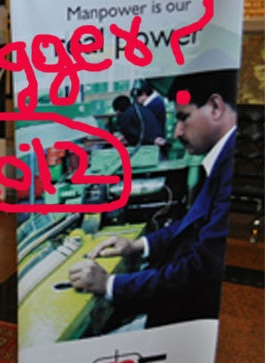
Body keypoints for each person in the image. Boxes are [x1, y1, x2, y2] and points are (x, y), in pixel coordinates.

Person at [68, 70, 239, 330]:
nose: (177, 132)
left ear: (215, 107)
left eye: (184, 117)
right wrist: (136, 245)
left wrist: (110, 284)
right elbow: (192, 225)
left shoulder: (230, 170)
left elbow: (200, 270)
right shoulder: (222, 162)